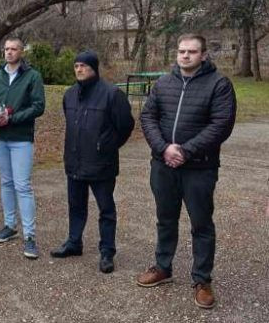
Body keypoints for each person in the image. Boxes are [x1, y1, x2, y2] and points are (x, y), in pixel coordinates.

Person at [136, 34, 236, 309]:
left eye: (192, 52)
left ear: (203, 55)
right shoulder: (163, 83)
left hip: (199, 168)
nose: (185, 56)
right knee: (165, 219)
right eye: (181, 51)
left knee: (201, 224)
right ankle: (163, 267)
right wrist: (164, 148)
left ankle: (202, 279)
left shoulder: (219, 85)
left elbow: (221, 124)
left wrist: (186, 150)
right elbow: (148, 116)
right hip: (163, 165)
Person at [50, 51, 134, 273]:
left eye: (83, 66)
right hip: (75, 161)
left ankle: (107, 252)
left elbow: (125, 125)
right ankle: (74, 242)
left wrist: (107, 145)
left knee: (106, 209)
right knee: (75, 206)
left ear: (94, 68)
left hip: (101, 164)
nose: (79, 69)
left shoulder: (112, 94)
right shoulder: (69, 95)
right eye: (76, 65)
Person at [0, 37, 45, 259]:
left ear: (21, 52)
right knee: (6, 182)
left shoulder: (32, 76)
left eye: (13, 49)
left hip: (20, 138)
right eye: (6, 49)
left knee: (23, 186)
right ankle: (9, 225)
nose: (9, 52)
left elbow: (39, 106)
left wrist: (13, 118)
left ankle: (29, 236)